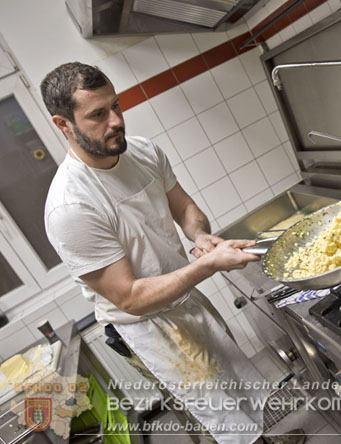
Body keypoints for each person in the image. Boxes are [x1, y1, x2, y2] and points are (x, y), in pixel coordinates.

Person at [41, 62, 304, 444]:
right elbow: (130, 298)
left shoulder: (144, 152)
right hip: (147, 327)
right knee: (216, 417)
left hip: (184, 299)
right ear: (63, 124)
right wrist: (209, 265)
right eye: (98, 114)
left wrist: (200, 237)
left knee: (236, 387)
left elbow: (184, 209)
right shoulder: (71, 207)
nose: (116, 121)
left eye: (116, 106)